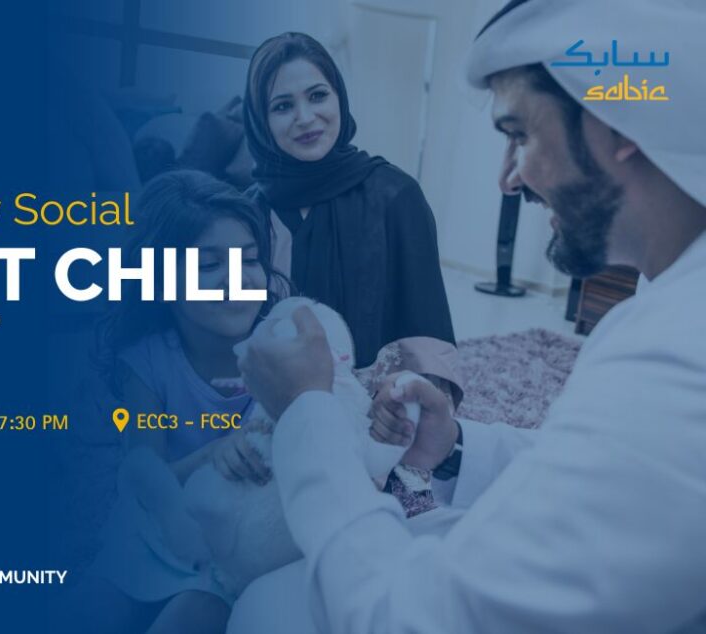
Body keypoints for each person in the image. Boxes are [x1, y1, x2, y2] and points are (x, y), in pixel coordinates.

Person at [228, 1, 706, 632]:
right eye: (282, 106)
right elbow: (602, 463)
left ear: (619, 127)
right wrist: (454, 446)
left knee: (264, 612)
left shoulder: (677, 356)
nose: (508, 179)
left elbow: (407, 621)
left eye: (520, 135)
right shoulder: (668, 298)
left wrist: (305, 414)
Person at [59, 170, 285, 634]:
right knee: (84, 612)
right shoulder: (146, 360)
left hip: (234, 547)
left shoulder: (280, 347)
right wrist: (214, 454)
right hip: (156, 531)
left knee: (194, 613)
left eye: (250, 259)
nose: (239, 278)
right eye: (209, 265)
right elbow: (144, 475)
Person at [243, 32, 463, 407]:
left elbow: (425, 325)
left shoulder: (395, 196)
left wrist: (409, 409)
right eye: (282, 106)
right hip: (267, 404)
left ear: (339, 98)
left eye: (317, 96)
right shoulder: (250, 212)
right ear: (261, 121)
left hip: (375, 408)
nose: (305, 118)